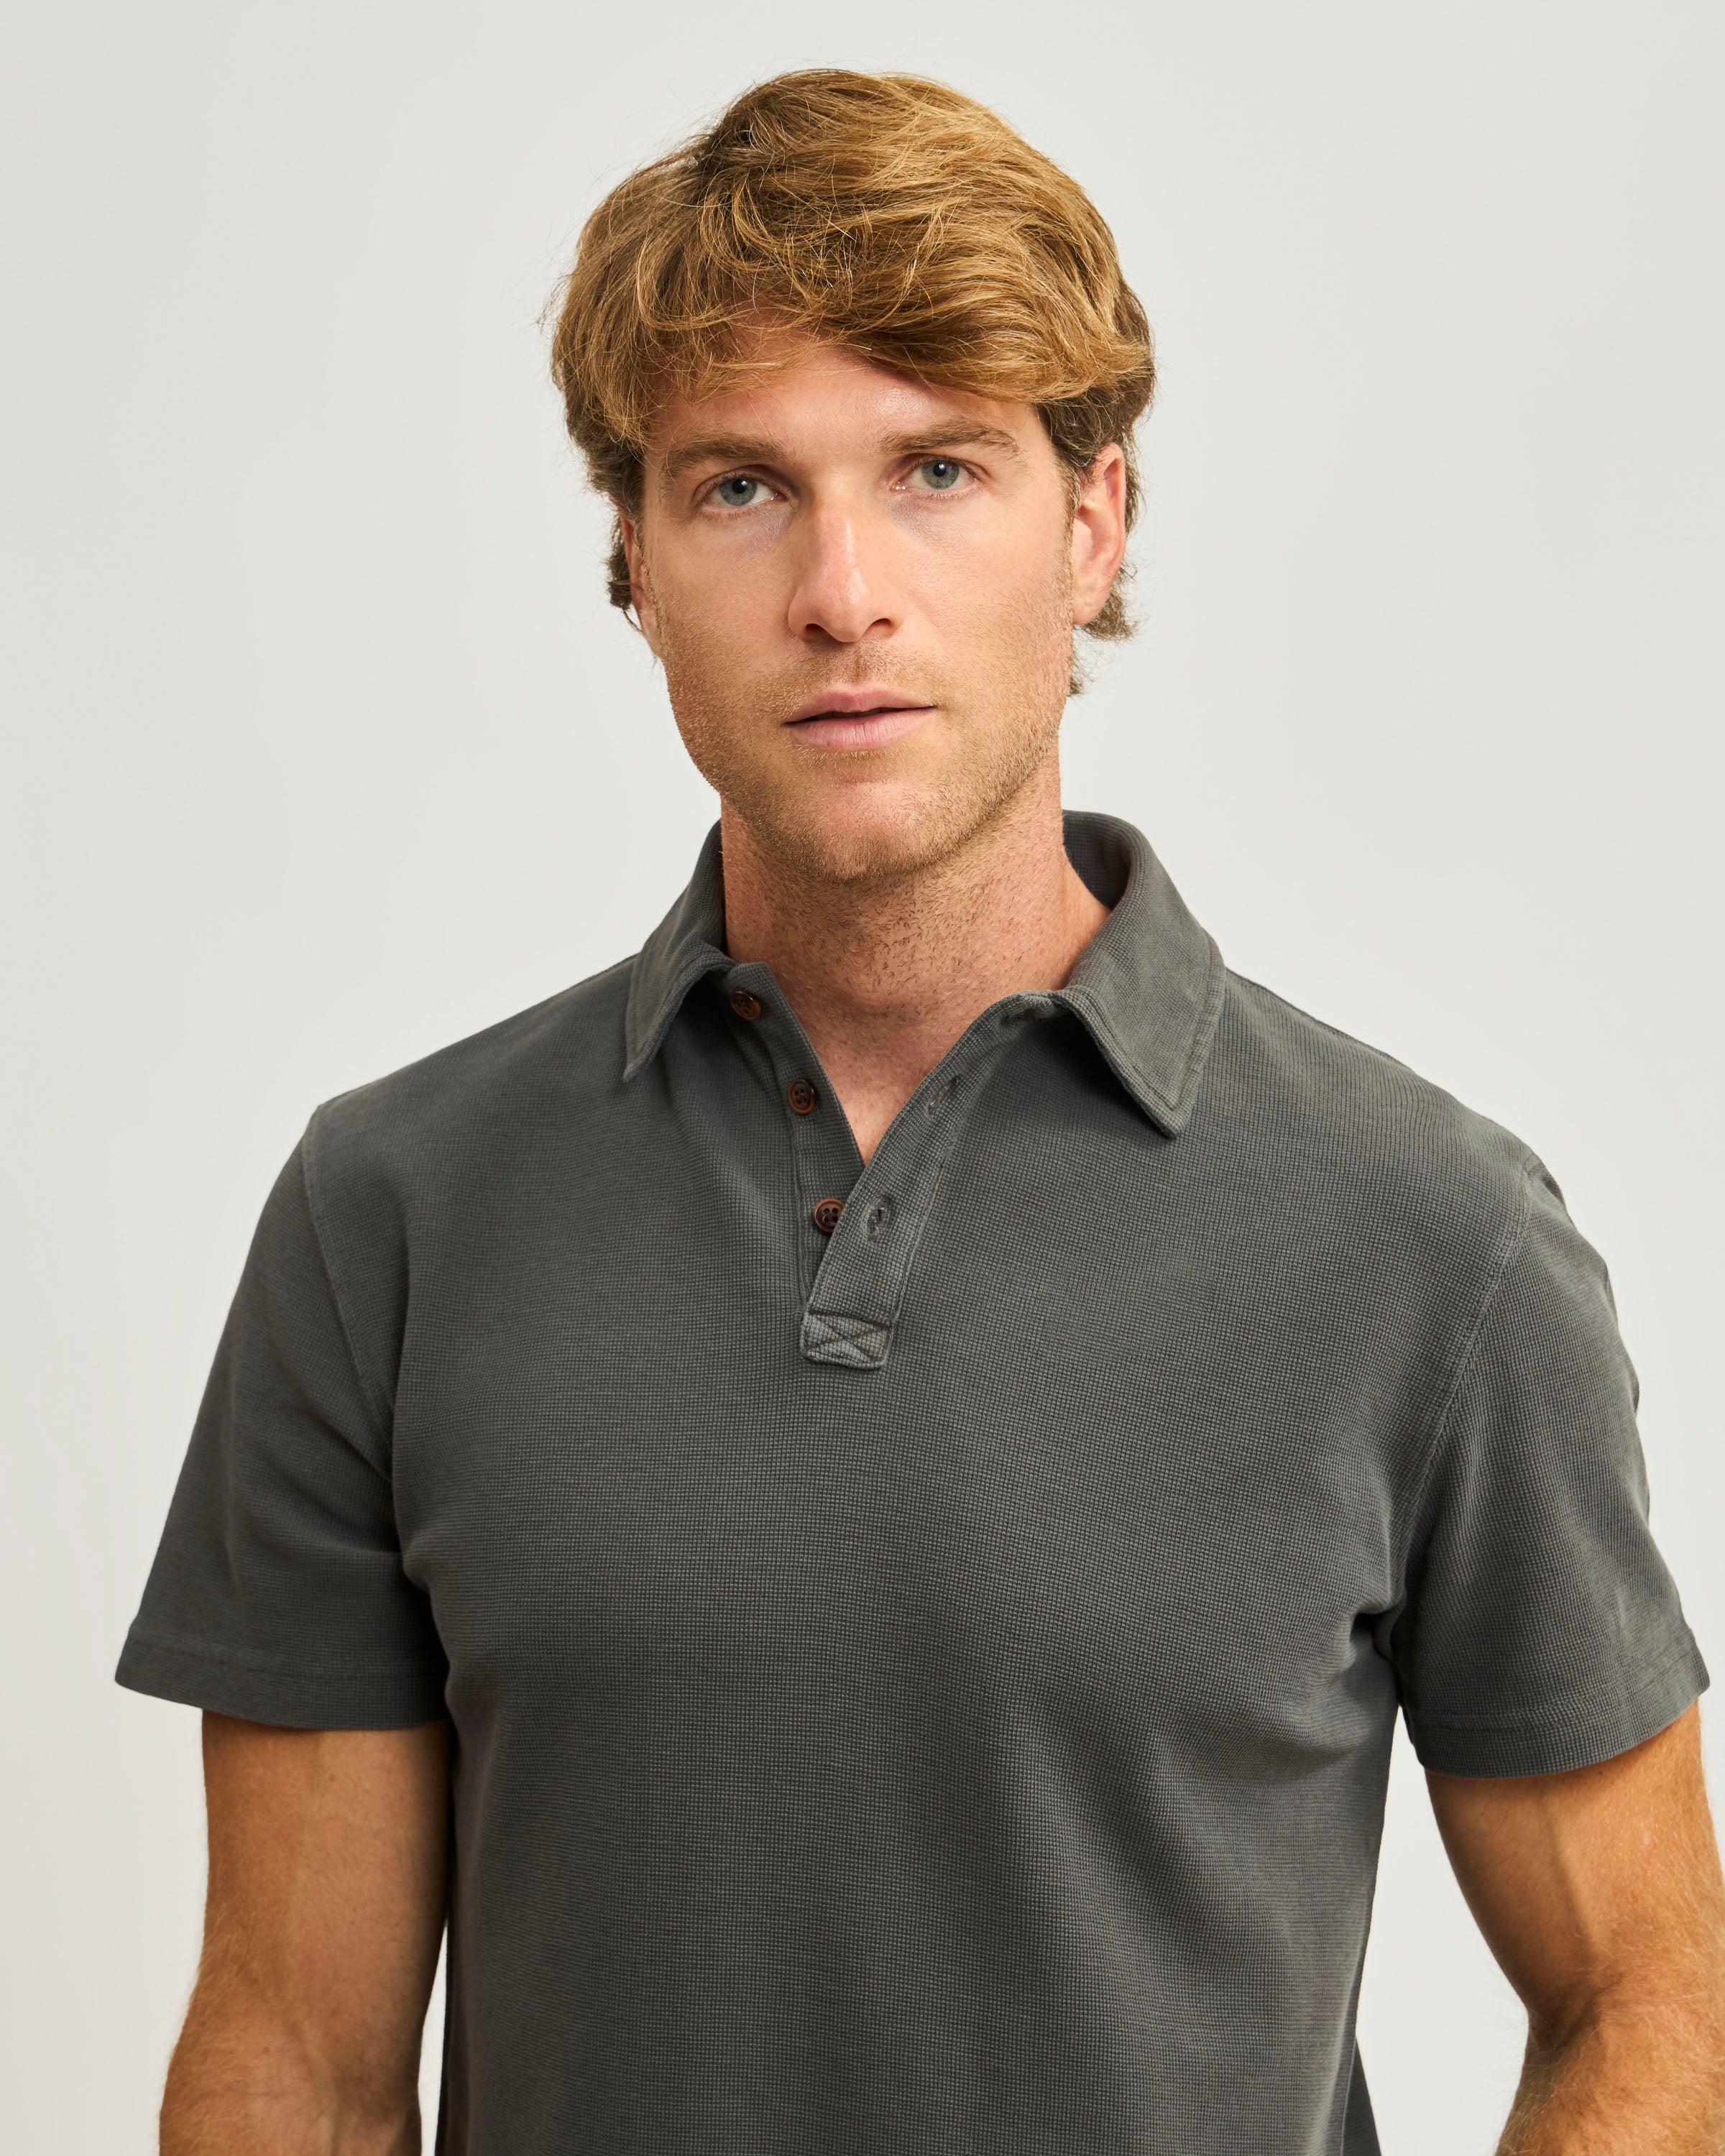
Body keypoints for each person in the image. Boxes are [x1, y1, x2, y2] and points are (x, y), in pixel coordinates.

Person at [117, 68, 1723, 2156]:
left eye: (938, 469)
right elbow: (296, 2062)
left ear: (1095, 521)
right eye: (741, 487)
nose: (844, 591)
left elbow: (1651, 2001)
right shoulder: (393, 1214)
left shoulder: (1435, 1240)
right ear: (633, 558)